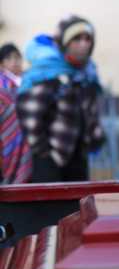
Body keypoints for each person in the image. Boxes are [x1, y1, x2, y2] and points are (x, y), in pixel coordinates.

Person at [16, 15, 105, 183]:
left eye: (88, 39)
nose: (84, 44)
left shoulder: (87, 73)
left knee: (78, 206)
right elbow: (29, 113)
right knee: (52, 208)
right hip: (50, 160)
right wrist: (44, 152)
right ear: (64, 43)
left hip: (78, 156)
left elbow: (91, 110)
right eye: (77, 39)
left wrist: (95, 138)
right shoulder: (49, 72)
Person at [0, 43, 31, 183]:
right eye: (9, 58)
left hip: (28, 136)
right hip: (6, 137)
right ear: (2, 63)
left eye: (17, 57)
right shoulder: (1, 83)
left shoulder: (28, 80)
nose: (15, 61)